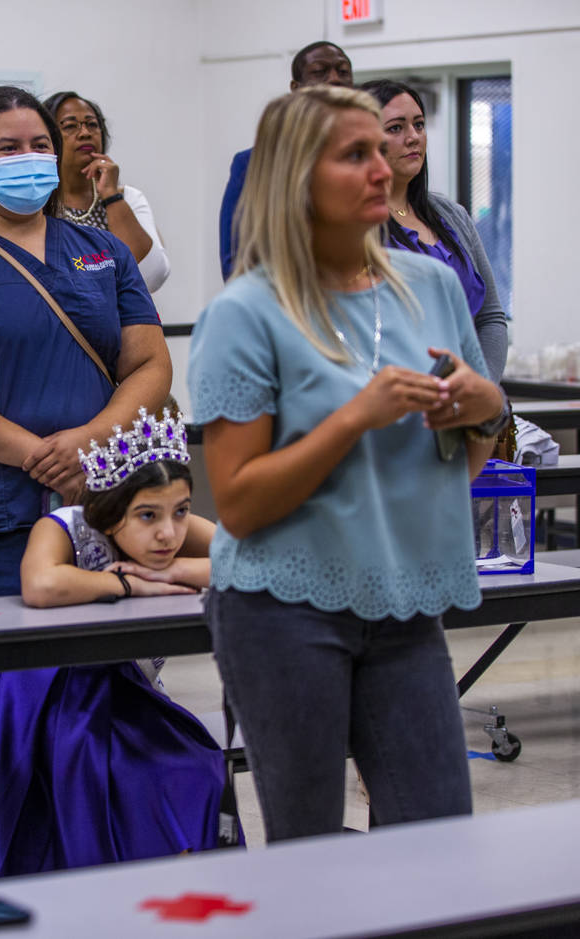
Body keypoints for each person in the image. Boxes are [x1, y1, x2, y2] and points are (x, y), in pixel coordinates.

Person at [189, 85, 511, 843]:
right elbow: (236, 502)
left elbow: (463, 459)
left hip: (404, 605)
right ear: (298, 175)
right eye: (356, 153)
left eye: (385, 147)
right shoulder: (245, 313)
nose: (383, 166)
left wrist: (482, 409)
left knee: (437, 840)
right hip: (283, 611)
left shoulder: (431, 285)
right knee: (311, 848)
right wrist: (355, 418)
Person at [0, 407, 228, 876]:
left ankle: (174, 881)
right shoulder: (65, 525)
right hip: (51, 699)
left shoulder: (170, 537)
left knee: (198, 765)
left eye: (181, 511)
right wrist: (128, 585)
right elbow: (41, 585)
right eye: (147, 515)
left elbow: (250, 560)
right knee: (97, 771)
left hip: (132, 696)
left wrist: (177, 569)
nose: (168, 532)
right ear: (110, 512)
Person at [0, 86, 171, 600]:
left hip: (99, 506)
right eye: (8, 148)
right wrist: (42, 458)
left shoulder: (104, 250)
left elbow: (150, 364)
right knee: (3, 677)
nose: (30, 159)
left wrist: (90, 440)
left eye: (41, 145)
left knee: (97, 674)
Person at [361, 79, 507, 382]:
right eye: (396, 128)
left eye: (419, 124)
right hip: (405, 400)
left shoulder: (451, 215)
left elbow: (490, 316)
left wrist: (483, 387)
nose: (413, 137)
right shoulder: (357, 227)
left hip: (471, 399)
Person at [218, 41, 354, 280]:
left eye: (343, 71)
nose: (334, 79)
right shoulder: (252, 163)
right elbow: (235, 260)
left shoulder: (366, 161)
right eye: (320, 71)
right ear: (296, 88)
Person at [40, 91, 170, 292]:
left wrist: (111, 196)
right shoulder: (39, 202)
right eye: (70, 126)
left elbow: (151, 277)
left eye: (92, 124)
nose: (85, 133)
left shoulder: (128, 197)